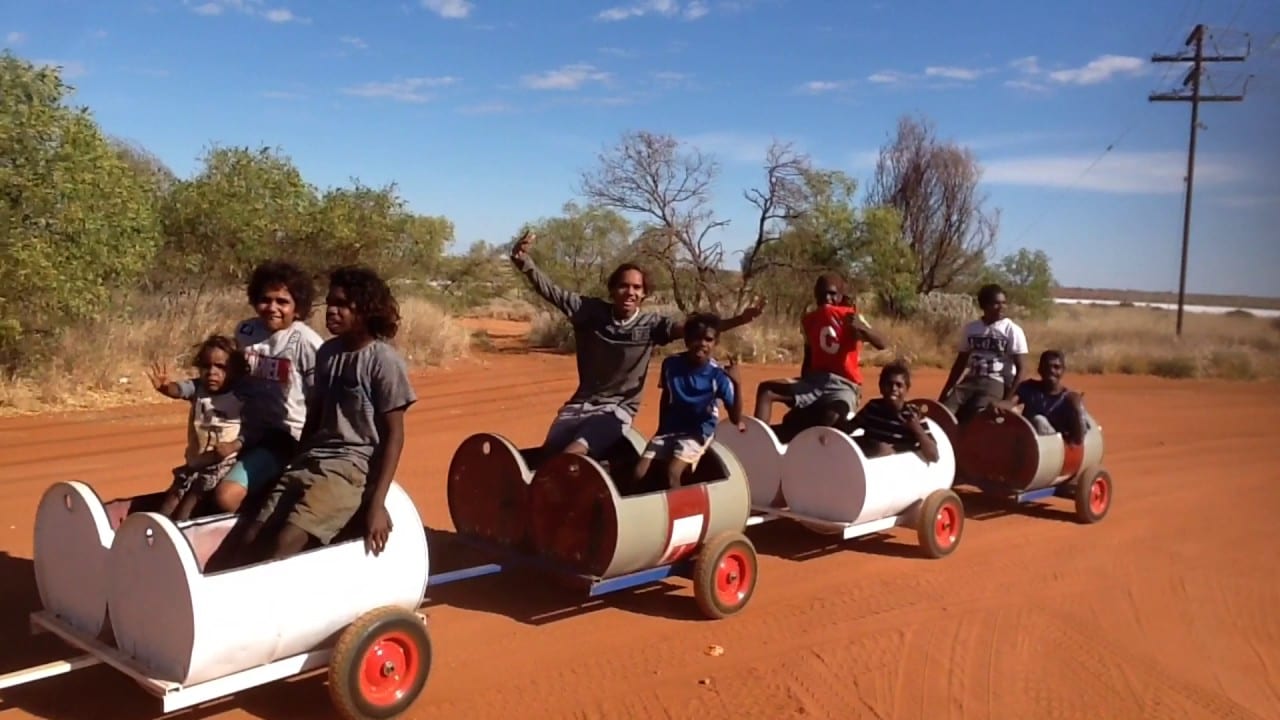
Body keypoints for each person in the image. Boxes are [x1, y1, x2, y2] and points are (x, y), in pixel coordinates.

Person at [510, 229, 763, 464]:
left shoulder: (651, 325)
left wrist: (740, 320)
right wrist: (525, 263)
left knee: (572, 456)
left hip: (617, 409)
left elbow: (697, 330)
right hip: (580, 403)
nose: (629, 292)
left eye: (636, 287)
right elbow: (552, 292)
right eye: (623, 285)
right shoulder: (590, 311)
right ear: (612, 289)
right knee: (547, 454)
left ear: (644, 293)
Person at [234, 266, 417, 563]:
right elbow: (314, 415)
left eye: (343, 305)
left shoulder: (383, 361)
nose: (332, 311)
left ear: (367, 309)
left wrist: (376, 502)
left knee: (285, 543)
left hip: (351, 468)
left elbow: (394, 435)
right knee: (252, 536)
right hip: (311, 460)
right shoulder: (327, 353)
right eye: (330, 303)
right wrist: (294, 464)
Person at [217, 260, 323, 513]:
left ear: (298, 308)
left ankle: (251, 537)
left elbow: (319, 398)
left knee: (226, 496)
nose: (272, 308)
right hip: (244, 431)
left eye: (282, 302)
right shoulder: (245, 331)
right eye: (265, 300)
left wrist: (308, 448)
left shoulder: (306, 343)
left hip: (285, 438)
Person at [753, 273, 886, 433]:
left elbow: (882, 344)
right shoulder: (809, 321)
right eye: (822, 294)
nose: (827, 298)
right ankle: (758, 441)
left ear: (841, 295)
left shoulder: (851, 318)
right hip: (814, 381)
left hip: (843, 385)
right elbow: (809, 355)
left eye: (832, 294)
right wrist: (801, 390)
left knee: (830, 417)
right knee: (767, 391)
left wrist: (862, 327)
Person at [633, 313, 746, 491]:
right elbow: (666, 397)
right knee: (639, 473)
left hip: (698, 431)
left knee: (672, 473)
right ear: (686, 340)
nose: (702, 344)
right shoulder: (671, 365)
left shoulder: (718, 376)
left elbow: (735, 417)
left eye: (708, 339)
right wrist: (660, 429)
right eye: (696, 338)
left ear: (715, 343)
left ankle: (680, 514)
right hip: (671, 429)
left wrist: (737, 383)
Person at [146, 335, 249, 521]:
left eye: (221, 367)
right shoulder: (198, 388)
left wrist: (233, 445)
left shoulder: (241, 396)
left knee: (187, 510)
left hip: (219, 467)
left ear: (235, 370)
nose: (212, 372)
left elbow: (252, 431)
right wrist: (166, 388)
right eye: (206, 366)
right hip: (195, 463)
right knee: (168, 505)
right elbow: (180, 389)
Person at [938, 283, 1029, 423]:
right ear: (984, 305)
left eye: (1004, 303)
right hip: (971, 379)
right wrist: (946, 391)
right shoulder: (972, 329)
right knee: (944, 412)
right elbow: (960, 362)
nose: (1001, 307)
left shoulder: (1012, 330)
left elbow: (1022, 369)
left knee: (977, 416)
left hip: (995, 380)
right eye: (996, 303)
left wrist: (1008, 400)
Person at [843, 361, 940, 463]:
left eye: (899, 385)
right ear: (881, 387)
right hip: (868, 465)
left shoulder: (912, 415)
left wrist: (917, 429)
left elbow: (934, 457)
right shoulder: (872, 408)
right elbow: (848, 428)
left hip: (895, 469)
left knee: (881, 449)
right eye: (889, 384)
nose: (894, 389)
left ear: (907, 389)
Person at [997, 349, 1094, 445]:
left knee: (1039, 421)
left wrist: (1076, 409)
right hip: (1033, 444)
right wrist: (997, 406)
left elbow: (1079, 440)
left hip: (1057, 446)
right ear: (1039, 370)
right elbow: (1010, 403)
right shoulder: (1029, 388)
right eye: (1047, 367)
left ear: (1063, 371)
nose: (1051, 371)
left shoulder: (1068, 398)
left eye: (1056, 367)